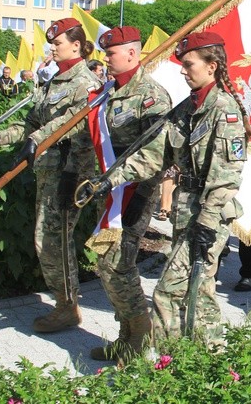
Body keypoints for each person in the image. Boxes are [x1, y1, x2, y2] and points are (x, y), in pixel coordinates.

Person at [78, 31, 250, 346]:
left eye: (189, 64)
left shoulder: (223, 108)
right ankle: (210, 357)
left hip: (209, 214)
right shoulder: (186, 109)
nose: (183, 71)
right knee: (199, 288)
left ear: (211, 66)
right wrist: (110, 180)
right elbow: (153, 154)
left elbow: (227, 174)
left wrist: (208, 221)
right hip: (187, 209)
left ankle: (157, 360)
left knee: (169, 290)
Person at [0, 18, 103, 333]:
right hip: (49, 173)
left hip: (70, 174)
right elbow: (33, 125)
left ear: (76, 44)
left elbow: (75, 124)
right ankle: (65, 302)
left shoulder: (86, 83)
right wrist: (1, 137)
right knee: (46, 239)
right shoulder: (54, 82)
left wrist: (36, 140)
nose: (52, 48)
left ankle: (66, 307)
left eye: (57, 43)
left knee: (53, 242)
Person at [83, 26, 171, 363]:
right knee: (106, 263)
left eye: (112, 52)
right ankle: (126, 334)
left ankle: (139, 335)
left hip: (136, 189)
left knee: (118, 263)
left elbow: (156, 151)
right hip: (108, 189)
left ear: (132, 54)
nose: (106, 58)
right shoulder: (107, 91)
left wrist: (119, 179)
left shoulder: (151, 95)